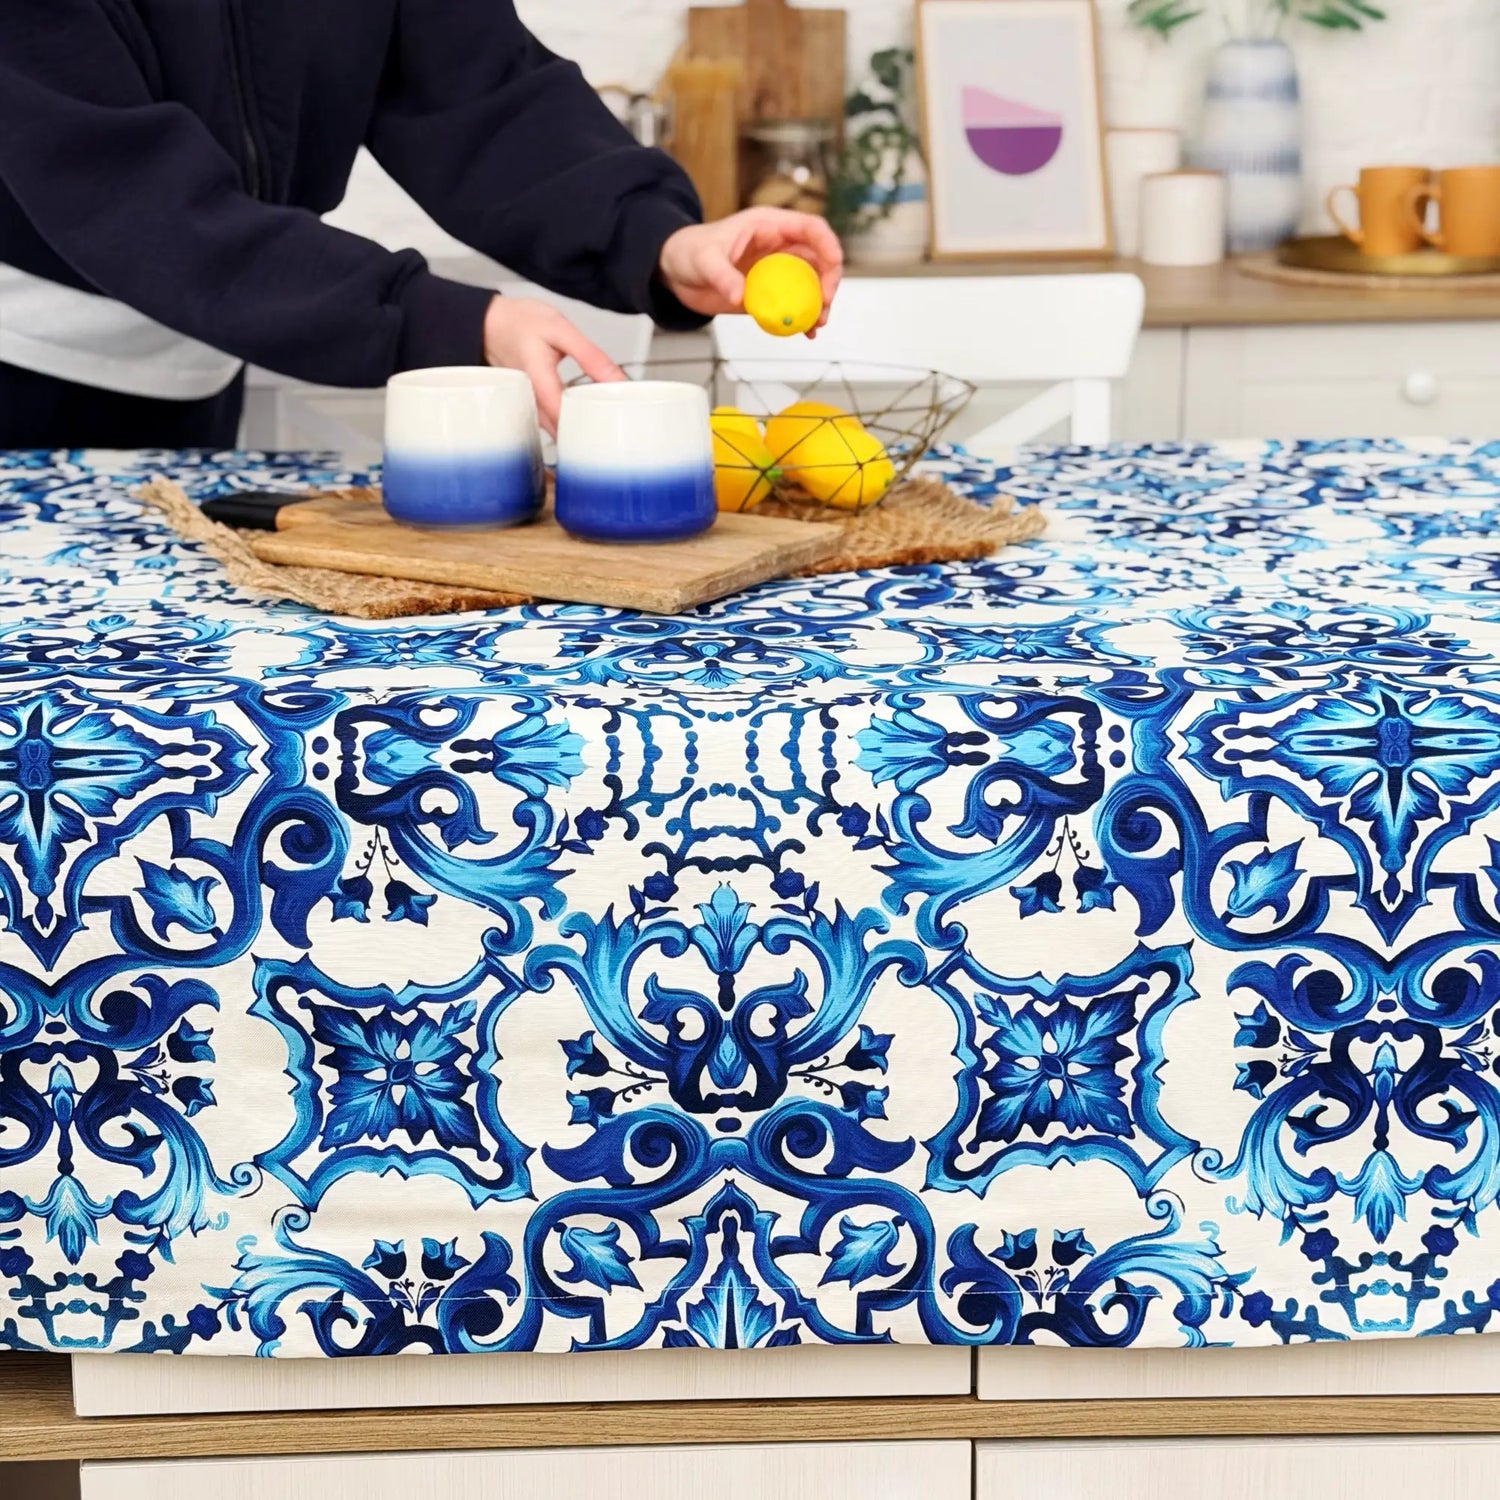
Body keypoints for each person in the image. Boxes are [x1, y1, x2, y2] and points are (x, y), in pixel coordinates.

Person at [0, 1, 842, 449]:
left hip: (202, 365)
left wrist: (657, 241)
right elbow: (133, 197)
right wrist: (446, 320)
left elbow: (484, 95)